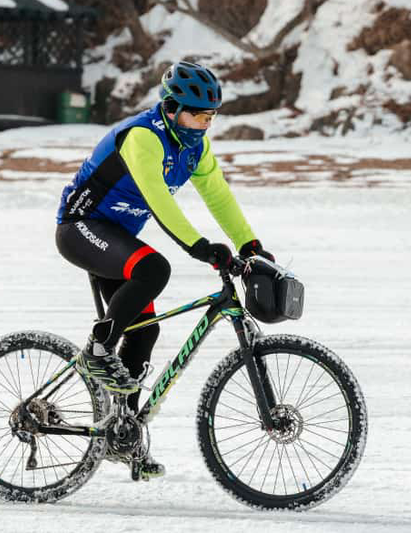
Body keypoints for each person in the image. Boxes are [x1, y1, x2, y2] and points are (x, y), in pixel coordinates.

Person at [54, 60, 274, 479]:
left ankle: (122, 436)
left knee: (145, 331)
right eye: (195, 114)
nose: (202, 124)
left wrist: (250, 244)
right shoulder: (144, 137)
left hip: (117, 238)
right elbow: (160, 202)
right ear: (171, 108)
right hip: (81, 228)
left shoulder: (195, 147)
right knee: (154, 268)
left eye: (210, 116)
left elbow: (218, 195)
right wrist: (202, 248)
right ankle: (98, 348)